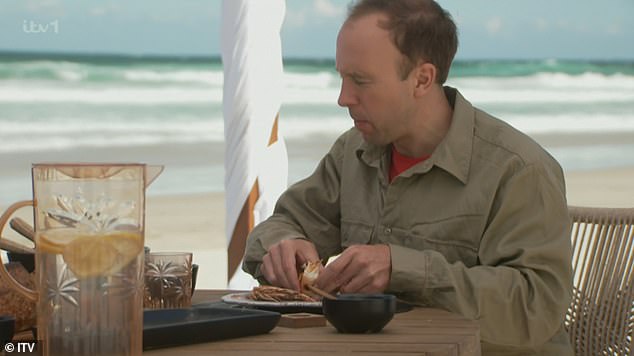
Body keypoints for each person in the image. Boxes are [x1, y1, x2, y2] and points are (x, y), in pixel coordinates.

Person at [243, 0, 573, 354]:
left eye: (360, 81)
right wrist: (282, 246)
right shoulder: (352, 153)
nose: (343, 98)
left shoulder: (519, 170)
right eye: (341, 77)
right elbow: (282, 224)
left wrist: (403, 269)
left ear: (422, 79)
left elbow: (537, 307)